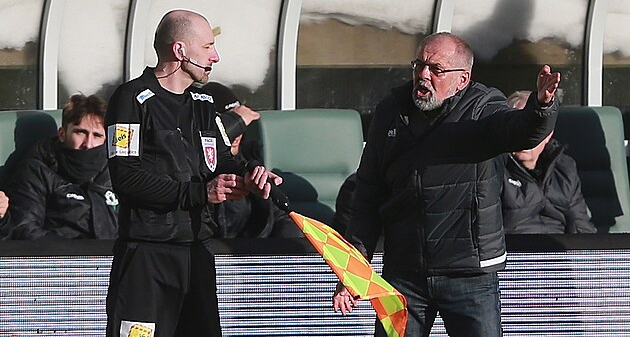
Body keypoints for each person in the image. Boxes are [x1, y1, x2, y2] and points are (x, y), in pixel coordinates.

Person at [332, 32, 561, 337]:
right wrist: (353, 270)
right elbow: (367, 195)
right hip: (404, 273)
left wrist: (541, 108)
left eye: (436, 70)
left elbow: (519, 130)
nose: (423, 76)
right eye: (419, 66)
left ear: (462, 80)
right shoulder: (391, 111)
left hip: (469, 274)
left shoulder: (482, 107)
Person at [104, 9, 280, 337]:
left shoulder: (202, 102)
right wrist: (202, 193)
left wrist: (251, 176)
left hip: (197, 253)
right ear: (180, 51)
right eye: (208, 47)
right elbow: (126, 178)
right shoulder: (130, 99)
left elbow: (220, 161)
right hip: (147, 256)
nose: (216, 56)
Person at [5, 94, 118, 240]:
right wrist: (76, 254)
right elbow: (24, 229)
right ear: (62, 134)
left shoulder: (116, 170)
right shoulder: (37, 169)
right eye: (81, 132)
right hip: (59, 258)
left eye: (97, 135)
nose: (88, 144)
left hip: (115, 257)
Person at [202, 82, 303, 238]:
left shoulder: (249, 160)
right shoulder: (193, 168)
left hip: (251, 252)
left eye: (241, 128)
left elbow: (279, 217)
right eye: (228, 126)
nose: (236, 135)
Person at [502, 91, 596, 234]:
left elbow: (581, 224)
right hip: (516, 250)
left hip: (560, 250)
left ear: (548, 135)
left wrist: (592, 255)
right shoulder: (494, 170)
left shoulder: (564, 167)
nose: (526, 138)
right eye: (519, 128)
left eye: (533, 129)